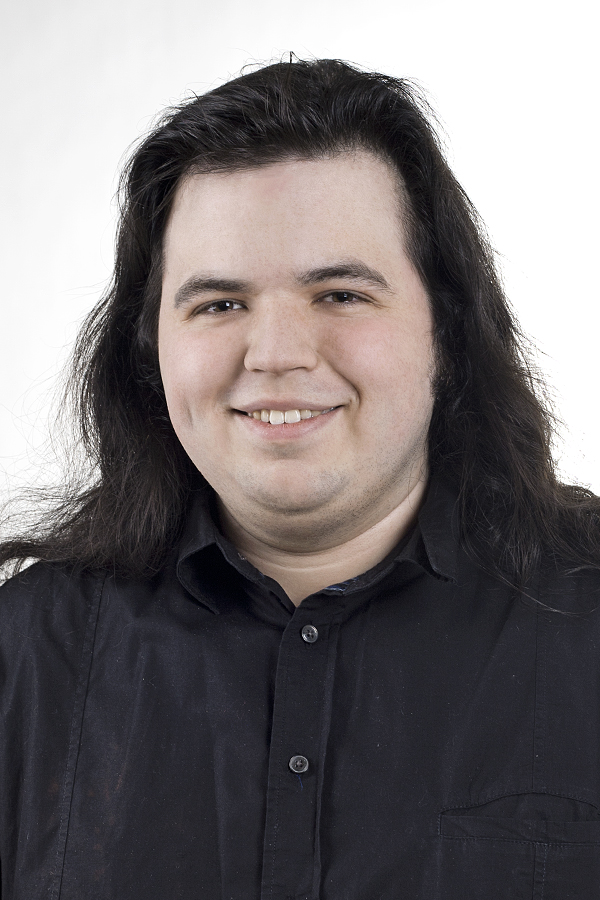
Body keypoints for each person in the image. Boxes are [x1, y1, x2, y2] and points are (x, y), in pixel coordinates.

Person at [1, 58, 600, 900]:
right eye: (219, 304)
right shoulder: (26, 653)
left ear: (447, 327)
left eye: (341, 294)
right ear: (149, 347)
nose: (277, 354)